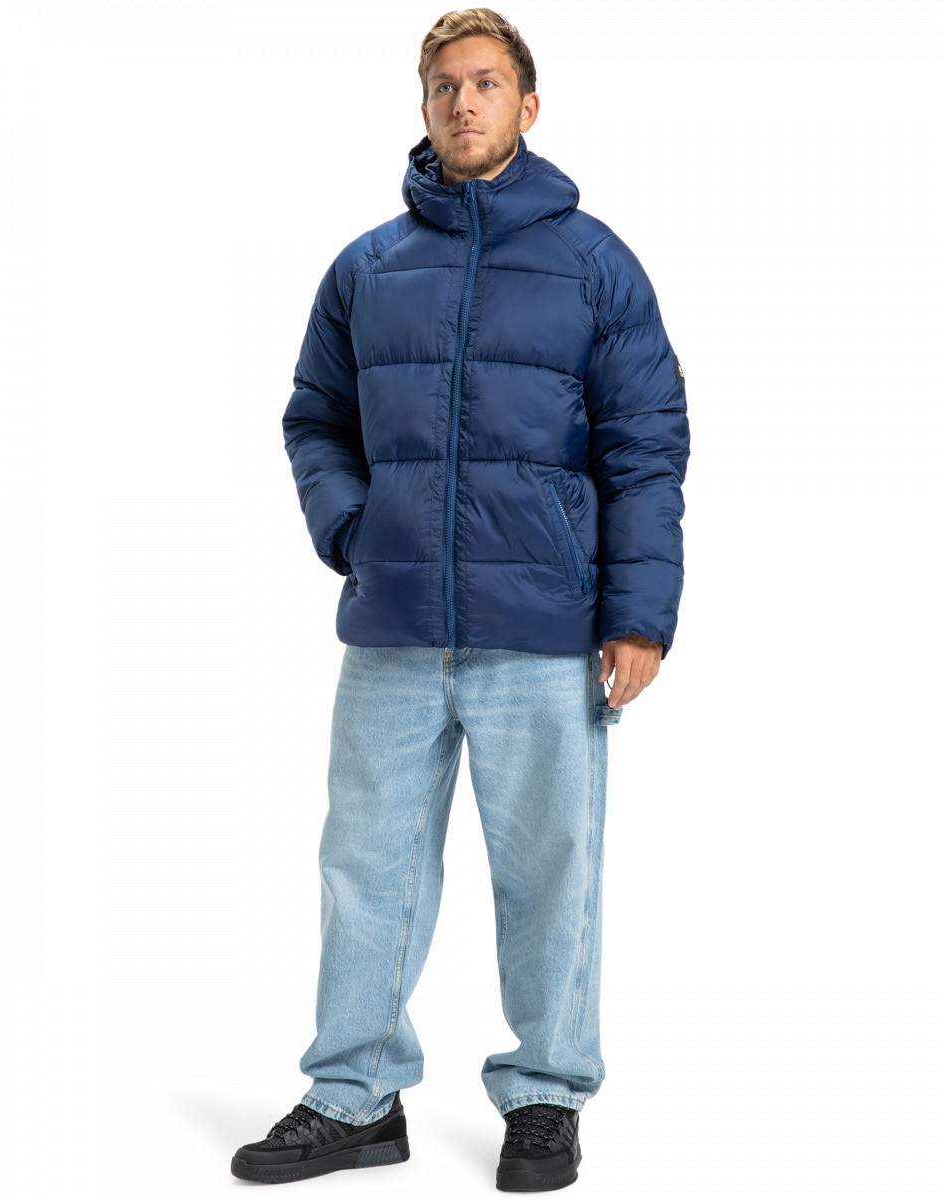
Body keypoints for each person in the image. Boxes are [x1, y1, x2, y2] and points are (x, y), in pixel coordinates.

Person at [231, 7, 689, 1192]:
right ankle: (354, 1096)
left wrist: (638, 614)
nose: (464, 101)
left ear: (527, 106)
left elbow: (646, 445)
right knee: (365, 868)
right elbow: (315, 419)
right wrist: (353, 529)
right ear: (424, 106)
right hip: (393, 628)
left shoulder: (594, 264)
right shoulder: (368, 268)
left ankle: (545, 1094)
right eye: (444, 84)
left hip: (542, 628)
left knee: (550, 872)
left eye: (486, 82)